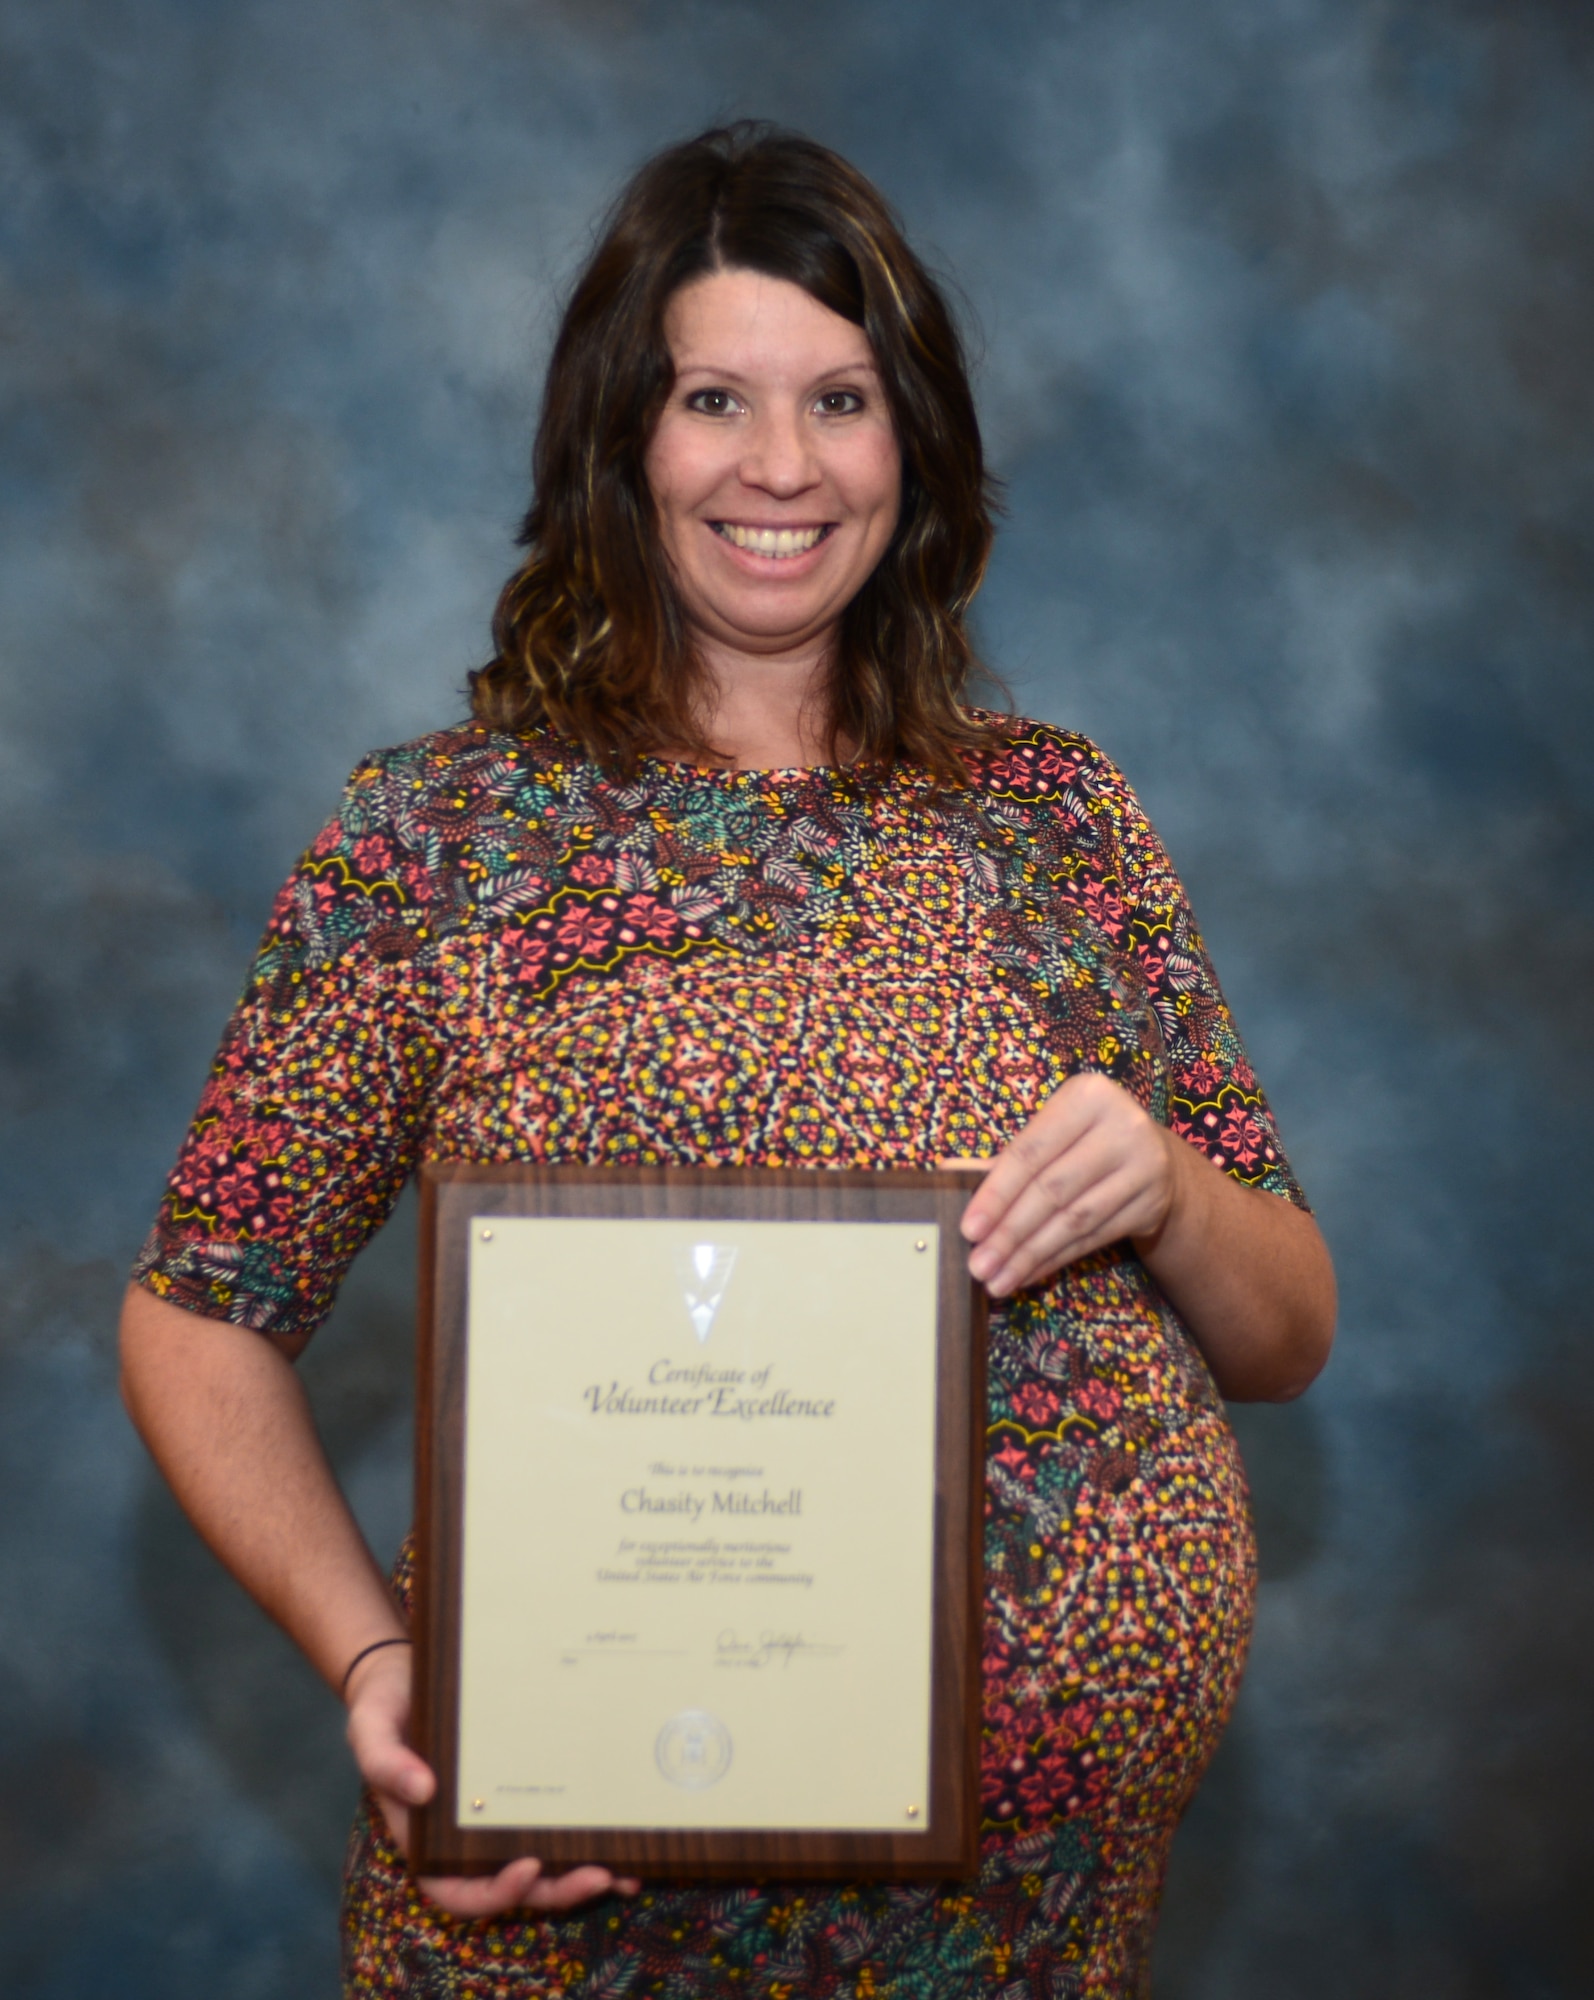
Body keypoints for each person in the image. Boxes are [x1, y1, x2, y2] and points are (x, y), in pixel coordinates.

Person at [120, 122, 1335, 1999]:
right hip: (588, 1922)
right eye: (713, 399)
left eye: (839, 399)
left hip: (1025, 1941)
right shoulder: (440, 844)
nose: (781, 466)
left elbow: (1285, 1331)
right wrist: (380, 1667)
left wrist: (1168, 1191)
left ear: (907, 445)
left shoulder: (1055, 819)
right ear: (622, 442)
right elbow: (200, 1309)